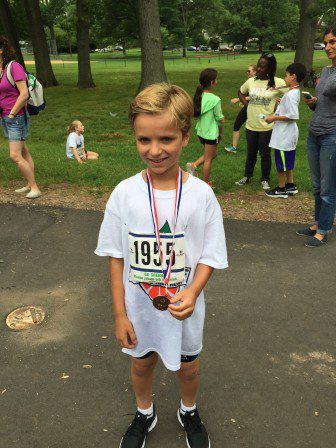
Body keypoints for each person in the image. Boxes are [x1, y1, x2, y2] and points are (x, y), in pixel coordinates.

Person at [95, 83, 228, 448]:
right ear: (135, 138)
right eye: (144, 140)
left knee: (190, 368)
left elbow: (210, 255)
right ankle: (144, 412)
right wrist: (120, 314)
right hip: (140, 310)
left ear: (186, 135)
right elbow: (115, 256)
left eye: (167, 139)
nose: (155, 151)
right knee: (141, 364)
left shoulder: (202, 195)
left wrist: (194, 290)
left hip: (184, 308)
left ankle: (188, 409)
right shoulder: (124, 193)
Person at [297, 26, 336, 247]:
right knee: (317, 185)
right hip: (315, 133)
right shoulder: (326, 71)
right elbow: (324, 103)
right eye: (326, 43)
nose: (328, 47)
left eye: (333, 42)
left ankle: (323, 230)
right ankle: (317, 222)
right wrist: (313, 103)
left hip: (332, 135)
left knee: (328, 187)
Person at [235, 53, 286, 190]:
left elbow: (291, 93)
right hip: (251, 126)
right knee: (250, 153)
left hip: (266, 127)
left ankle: (265, 179)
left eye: (263, 67)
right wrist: (247, 106)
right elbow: (240, 92)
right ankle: (247, 176)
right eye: (258, 65)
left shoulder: (277, 83)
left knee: (265, 154)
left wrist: (279, 110)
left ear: (269, 69)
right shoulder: (251, 81)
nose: (259, 69)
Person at [0, 35, 41, 199]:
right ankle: (29, 184)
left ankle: (35, 188)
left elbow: (24, 94)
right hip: (6, 116)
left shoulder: (14, 67)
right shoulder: (1, 69)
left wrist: (11, 113)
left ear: (1, 49)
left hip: (16, 117)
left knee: (15, 155)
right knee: (23, 152)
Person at [265, 62, 307, 199]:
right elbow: (289, 107)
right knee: (288, 161)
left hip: (284, 136)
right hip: (289, 135)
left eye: (286, 75)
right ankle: (291, 185)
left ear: (293, 76)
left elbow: (293, 116)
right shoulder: (294, 91)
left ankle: (281, 188)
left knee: (281, 162)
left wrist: (273, 118)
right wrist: (281, 102)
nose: (285, 78)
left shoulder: (290, 95)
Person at [186, 68, 225, 185]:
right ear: (212, 82)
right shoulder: (215, 99)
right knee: (208, 159)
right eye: (216, 79)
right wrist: (221, 132)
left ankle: (194, 165)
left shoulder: (199, 96)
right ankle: (206, 183)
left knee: (213, 154)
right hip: (211, 134)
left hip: (201, 132)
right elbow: (220, 119)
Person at [225, 64, 257, 153]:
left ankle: (259, 147)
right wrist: (243, 102)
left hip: (255, 108)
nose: (247, 72)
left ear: (255, 72)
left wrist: (238, 99)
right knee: (236, 126)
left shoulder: (257, 82)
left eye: (249, 71)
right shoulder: (250, 81)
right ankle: (234, 148)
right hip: (248, 107)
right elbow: (247, 95)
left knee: (256, 128)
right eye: (247, 71)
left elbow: (254, 97)